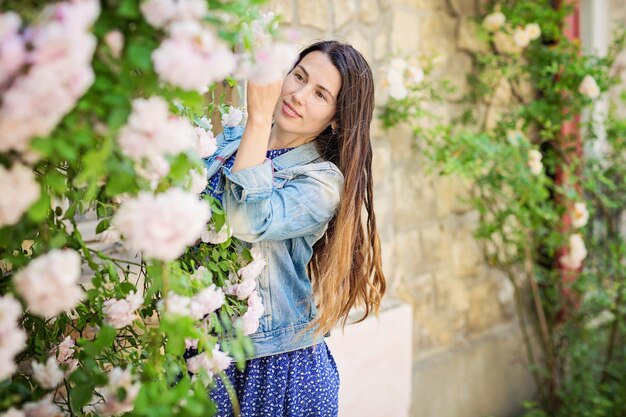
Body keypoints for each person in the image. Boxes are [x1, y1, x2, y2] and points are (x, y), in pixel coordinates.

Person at [199, 40, 386, 417]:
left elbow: (246, 220)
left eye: (320, 94)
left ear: (336, 117)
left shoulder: (321, 182)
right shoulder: (232, 139)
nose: (298, 95)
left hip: (274, 366)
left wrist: (258, 117)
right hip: (206, 351)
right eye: (298, 76)